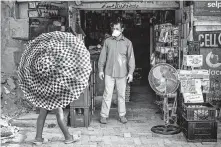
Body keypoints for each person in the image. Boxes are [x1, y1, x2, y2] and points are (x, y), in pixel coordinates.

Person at [98, 18, 135, 124]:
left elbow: (131, 58)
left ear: (122, 29)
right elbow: (103, 56)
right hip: (109, 72)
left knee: (121, 95)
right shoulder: (108, 41)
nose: (115, 30)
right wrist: (101, 70)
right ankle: (104, 115)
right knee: (107, 94)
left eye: (117, 28)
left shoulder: (128, 43)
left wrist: (131, 73)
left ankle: (122, 115)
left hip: (122, 73)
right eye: (113, 28)